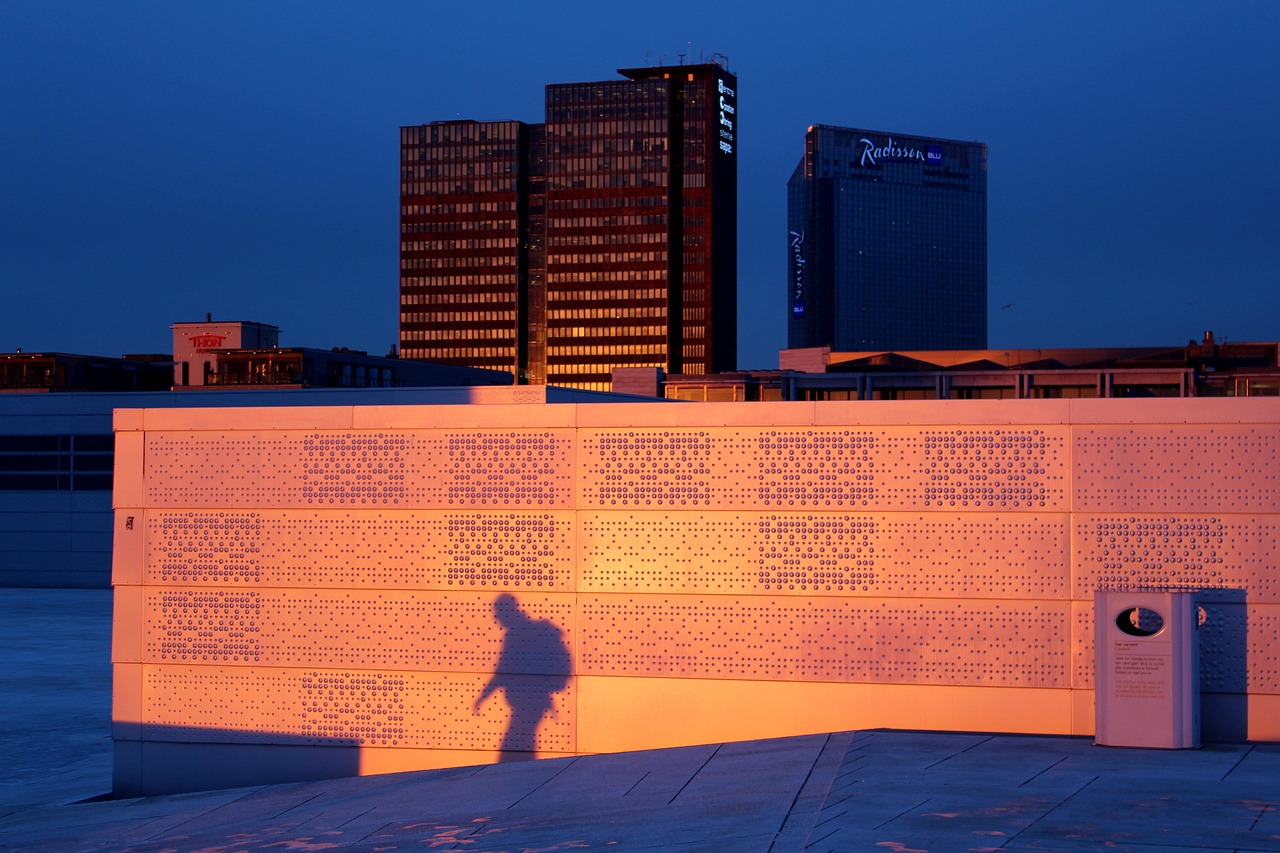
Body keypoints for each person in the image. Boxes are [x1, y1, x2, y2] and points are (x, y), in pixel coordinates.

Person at [473, 593, 571, 759]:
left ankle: (523, 781)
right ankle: (527, 779)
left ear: (508, 611)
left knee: (513, 751)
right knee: (523, 747)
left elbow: (503, 669)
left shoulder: (517, 634)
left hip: (529, 701)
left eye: (498, 614)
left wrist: (483, 696)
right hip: (535, 701)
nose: (497, 619)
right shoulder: (526, 632)